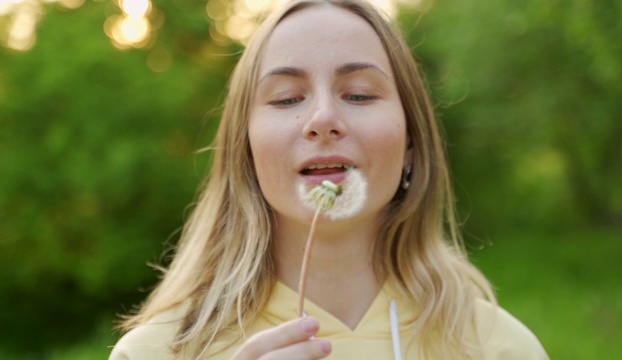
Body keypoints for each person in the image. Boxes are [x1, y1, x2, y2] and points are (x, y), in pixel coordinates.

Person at [109, 0, 548, 359]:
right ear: (247, 150)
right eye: (286, 99)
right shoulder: (157, 352)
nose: (322, 119)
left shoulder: (499, 348)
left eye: (358, 93)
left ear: (412, 142)